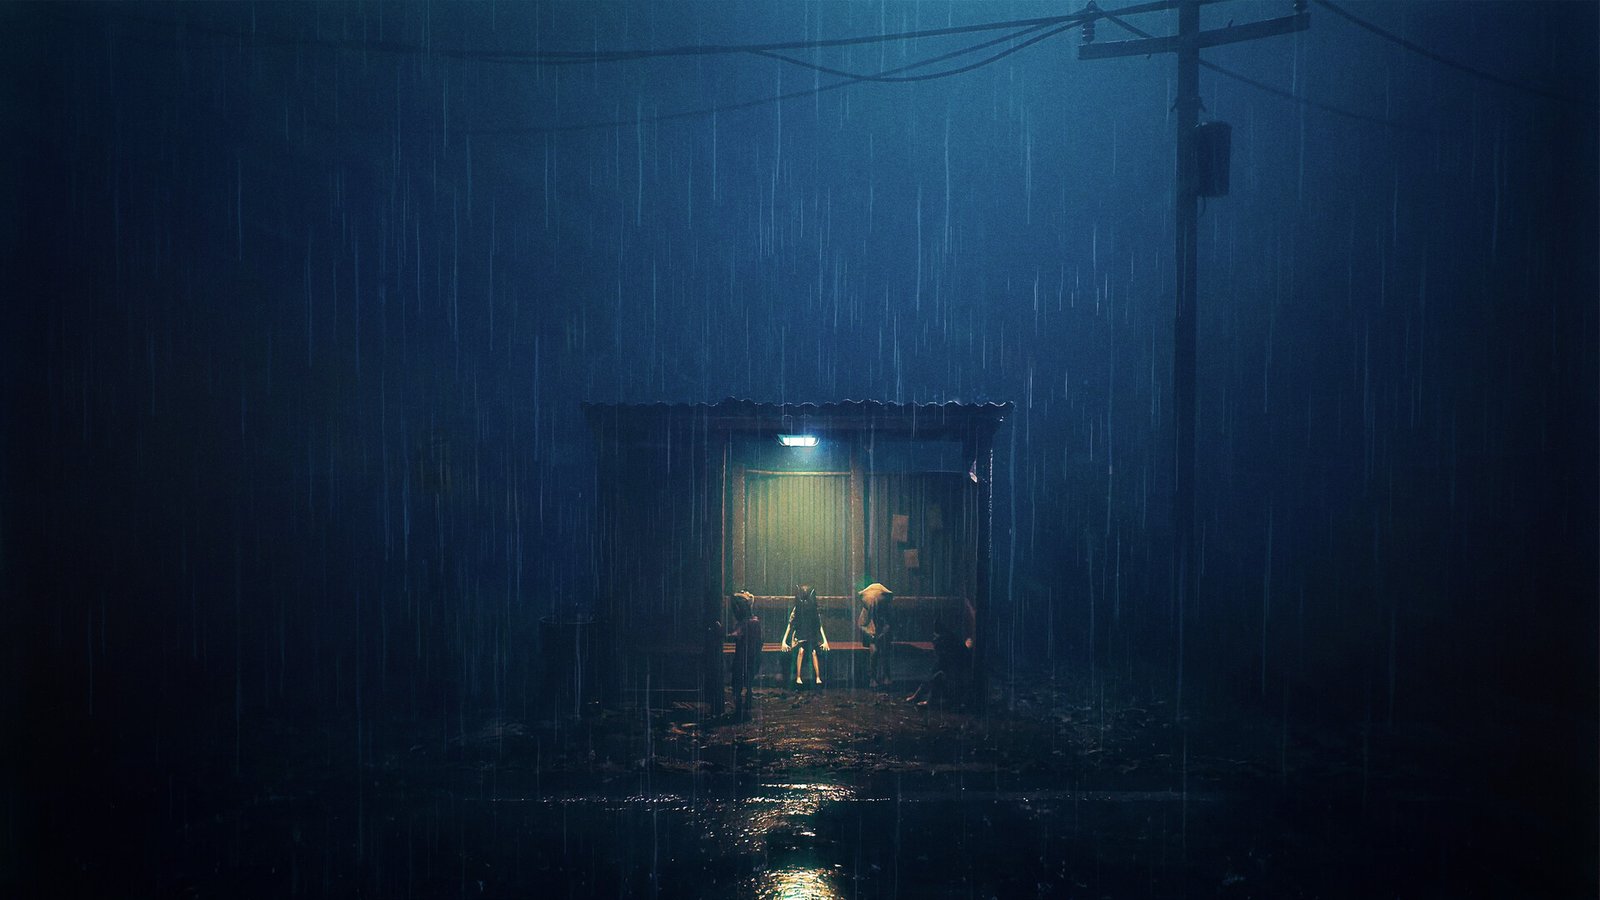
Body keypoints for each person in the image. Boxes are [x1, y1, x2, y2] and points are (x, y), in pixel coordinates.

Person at [906, 615, 970, 707]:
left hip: (956, 678)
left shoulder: (946, 641)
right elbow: (941, 662)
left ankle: (929, 701)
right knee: (933, 675)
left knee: (936, 677)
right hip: (955, 674)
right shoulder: (949, 639)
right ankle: (917, 696)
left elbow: (945, 663)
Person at [781, 584, 828, 688]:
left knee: (814, 652)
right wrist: (783, 642)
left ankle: (817, 677)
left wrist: (825, 641)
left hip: (811, 636)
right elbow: (790, 625)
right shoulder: (797, 609)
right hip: (800, 636)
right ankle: (798, 677)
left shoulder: (813, 609)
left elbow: (819, 625)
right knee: (801, 651)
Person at [726, 591, 762, 721]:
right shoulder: (755, 622)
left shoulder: (744, 623)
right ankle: (747, 706)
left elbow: (735, 635)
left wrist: (721, 634)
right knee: (748, 682)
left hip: (741, 658)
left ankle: (739, 711)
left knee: (737, 684)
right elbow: (760, 641)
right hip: (752, 657)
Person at [856, 582, 895, 688]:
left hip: (884, 637)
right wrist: (869, 633)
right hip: (872, 638)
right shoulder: (867, 610)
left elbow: (890, 623)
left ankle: (886, 675)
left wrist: (883, 633)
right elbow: (861, 624)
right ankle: (872, 677)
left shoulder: (886, 609)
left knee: (885, 651)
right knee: (874, 651)